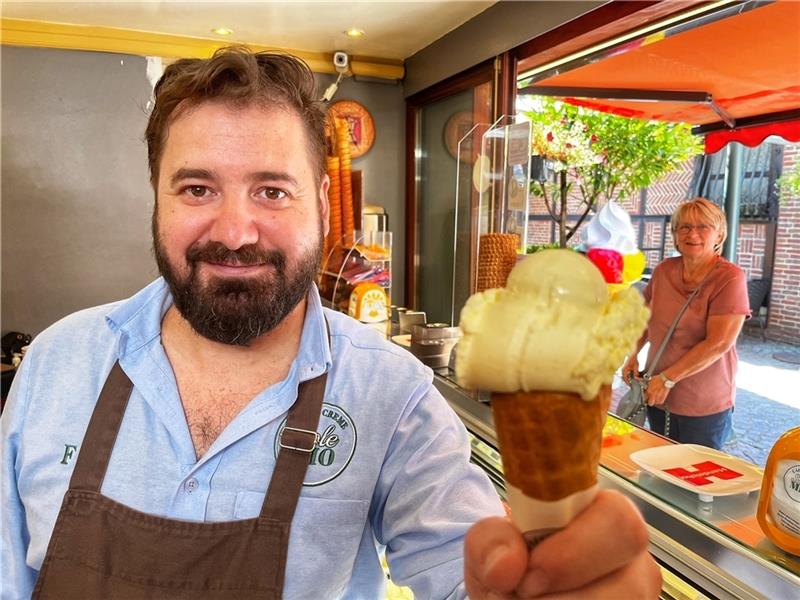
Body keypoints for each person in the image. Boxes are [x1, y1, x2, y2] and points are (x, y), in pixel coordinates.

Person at [1, 47, 660, 599]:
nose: (234, 231)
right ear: (157, 197)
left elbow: (470, 574)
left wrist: (552, 583)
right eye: (197, 188)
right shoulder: (60, 364)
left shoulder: (392, 398)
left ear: (321, 202)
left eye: (272, 190)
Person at [623, 198, 749, 449]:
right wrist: (632, 355)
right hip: (656, 393)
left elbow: (719, 343)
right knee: (660, 469)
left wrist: (668, 379)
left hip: (702, 403)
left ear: (719, 234)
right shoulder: (663, 271)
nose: (692, 234)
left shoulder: (729, 278)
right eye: (684, 227)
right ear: (675, 235)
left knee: (694, 478)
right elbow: (644, 320)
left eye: (703, 227)